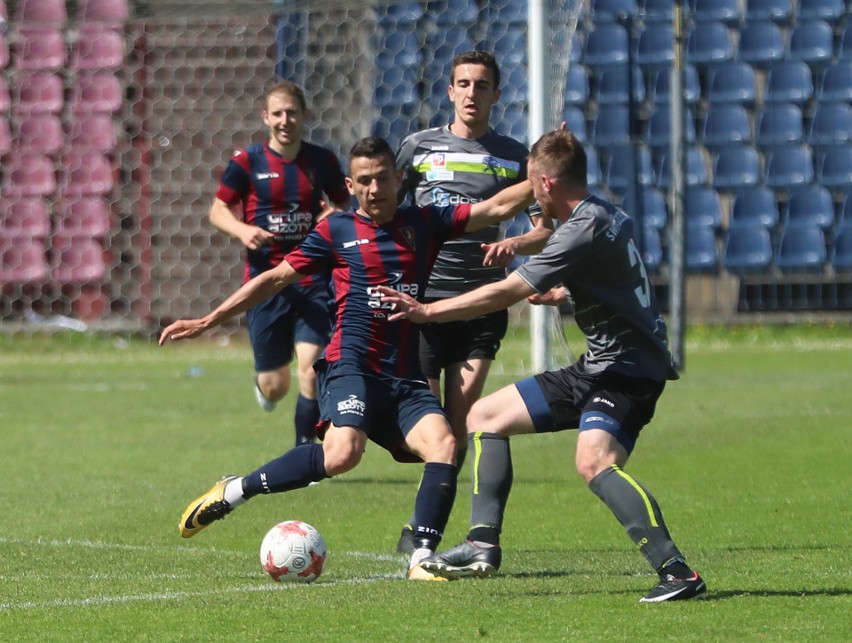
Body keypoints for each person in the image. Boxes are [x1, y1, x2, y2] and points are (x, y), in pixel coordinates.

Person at [159, 136, 535, 580]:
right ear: (350, 186)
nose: (375, 189)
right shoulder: (335, 231)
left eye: (382, 178)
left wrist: (545, 178)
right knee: (341, 455)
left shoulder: (425, 222)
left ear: (399, 178)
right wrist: (211, 318)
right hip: (350, 366)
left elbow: (494, 209)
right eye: (364, 181)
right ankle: (235, 489)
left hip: (403, 375)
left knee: (445, 445)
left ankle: (421, 558)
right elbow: (275, 277)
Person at [378, 129, 707, 602]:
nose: (532, 195)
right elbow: (619, 282)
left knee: (594, 461)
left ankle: (678, 573)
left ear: (547, 185)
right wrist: (568, 293)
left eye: (533, 185)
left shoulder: (580, 229)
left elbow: (506, 291)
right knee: (485, 417)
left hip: (629, 373)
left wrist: (427, 310)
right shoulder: (605, 215)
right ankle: (481, 542)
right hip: (597, 367)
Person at [393, 50, 553, 553]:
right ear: (449, 91)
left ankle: (423, 532)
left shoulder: (513, 156)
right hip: (422, 302)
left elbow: (544, 232)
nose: (470, 93)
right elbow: (389, 217)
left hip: (480, 305)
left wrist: (516, 247)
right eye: (462, 83)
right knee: (423, 425)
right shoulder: (416, 149)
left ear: (495, 95)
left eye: (481, 85)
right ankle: (427, 519)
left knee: (458, 425)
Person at [209, 80, 351, 446]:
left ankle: (306, 449)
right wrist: (242, 231)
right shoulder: (247, 161)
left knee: (311, 369)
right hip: (265, 282)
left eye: (292, 112)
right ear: (265, 117)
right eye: (278, 113)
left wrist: (333, 215)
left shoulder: (323, 161)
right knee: (276, 386)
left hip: (311, 280)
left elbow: (344, 205)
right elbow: (218, 210)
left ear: (304, 115)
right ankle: (265, 386)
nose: (285, 120)